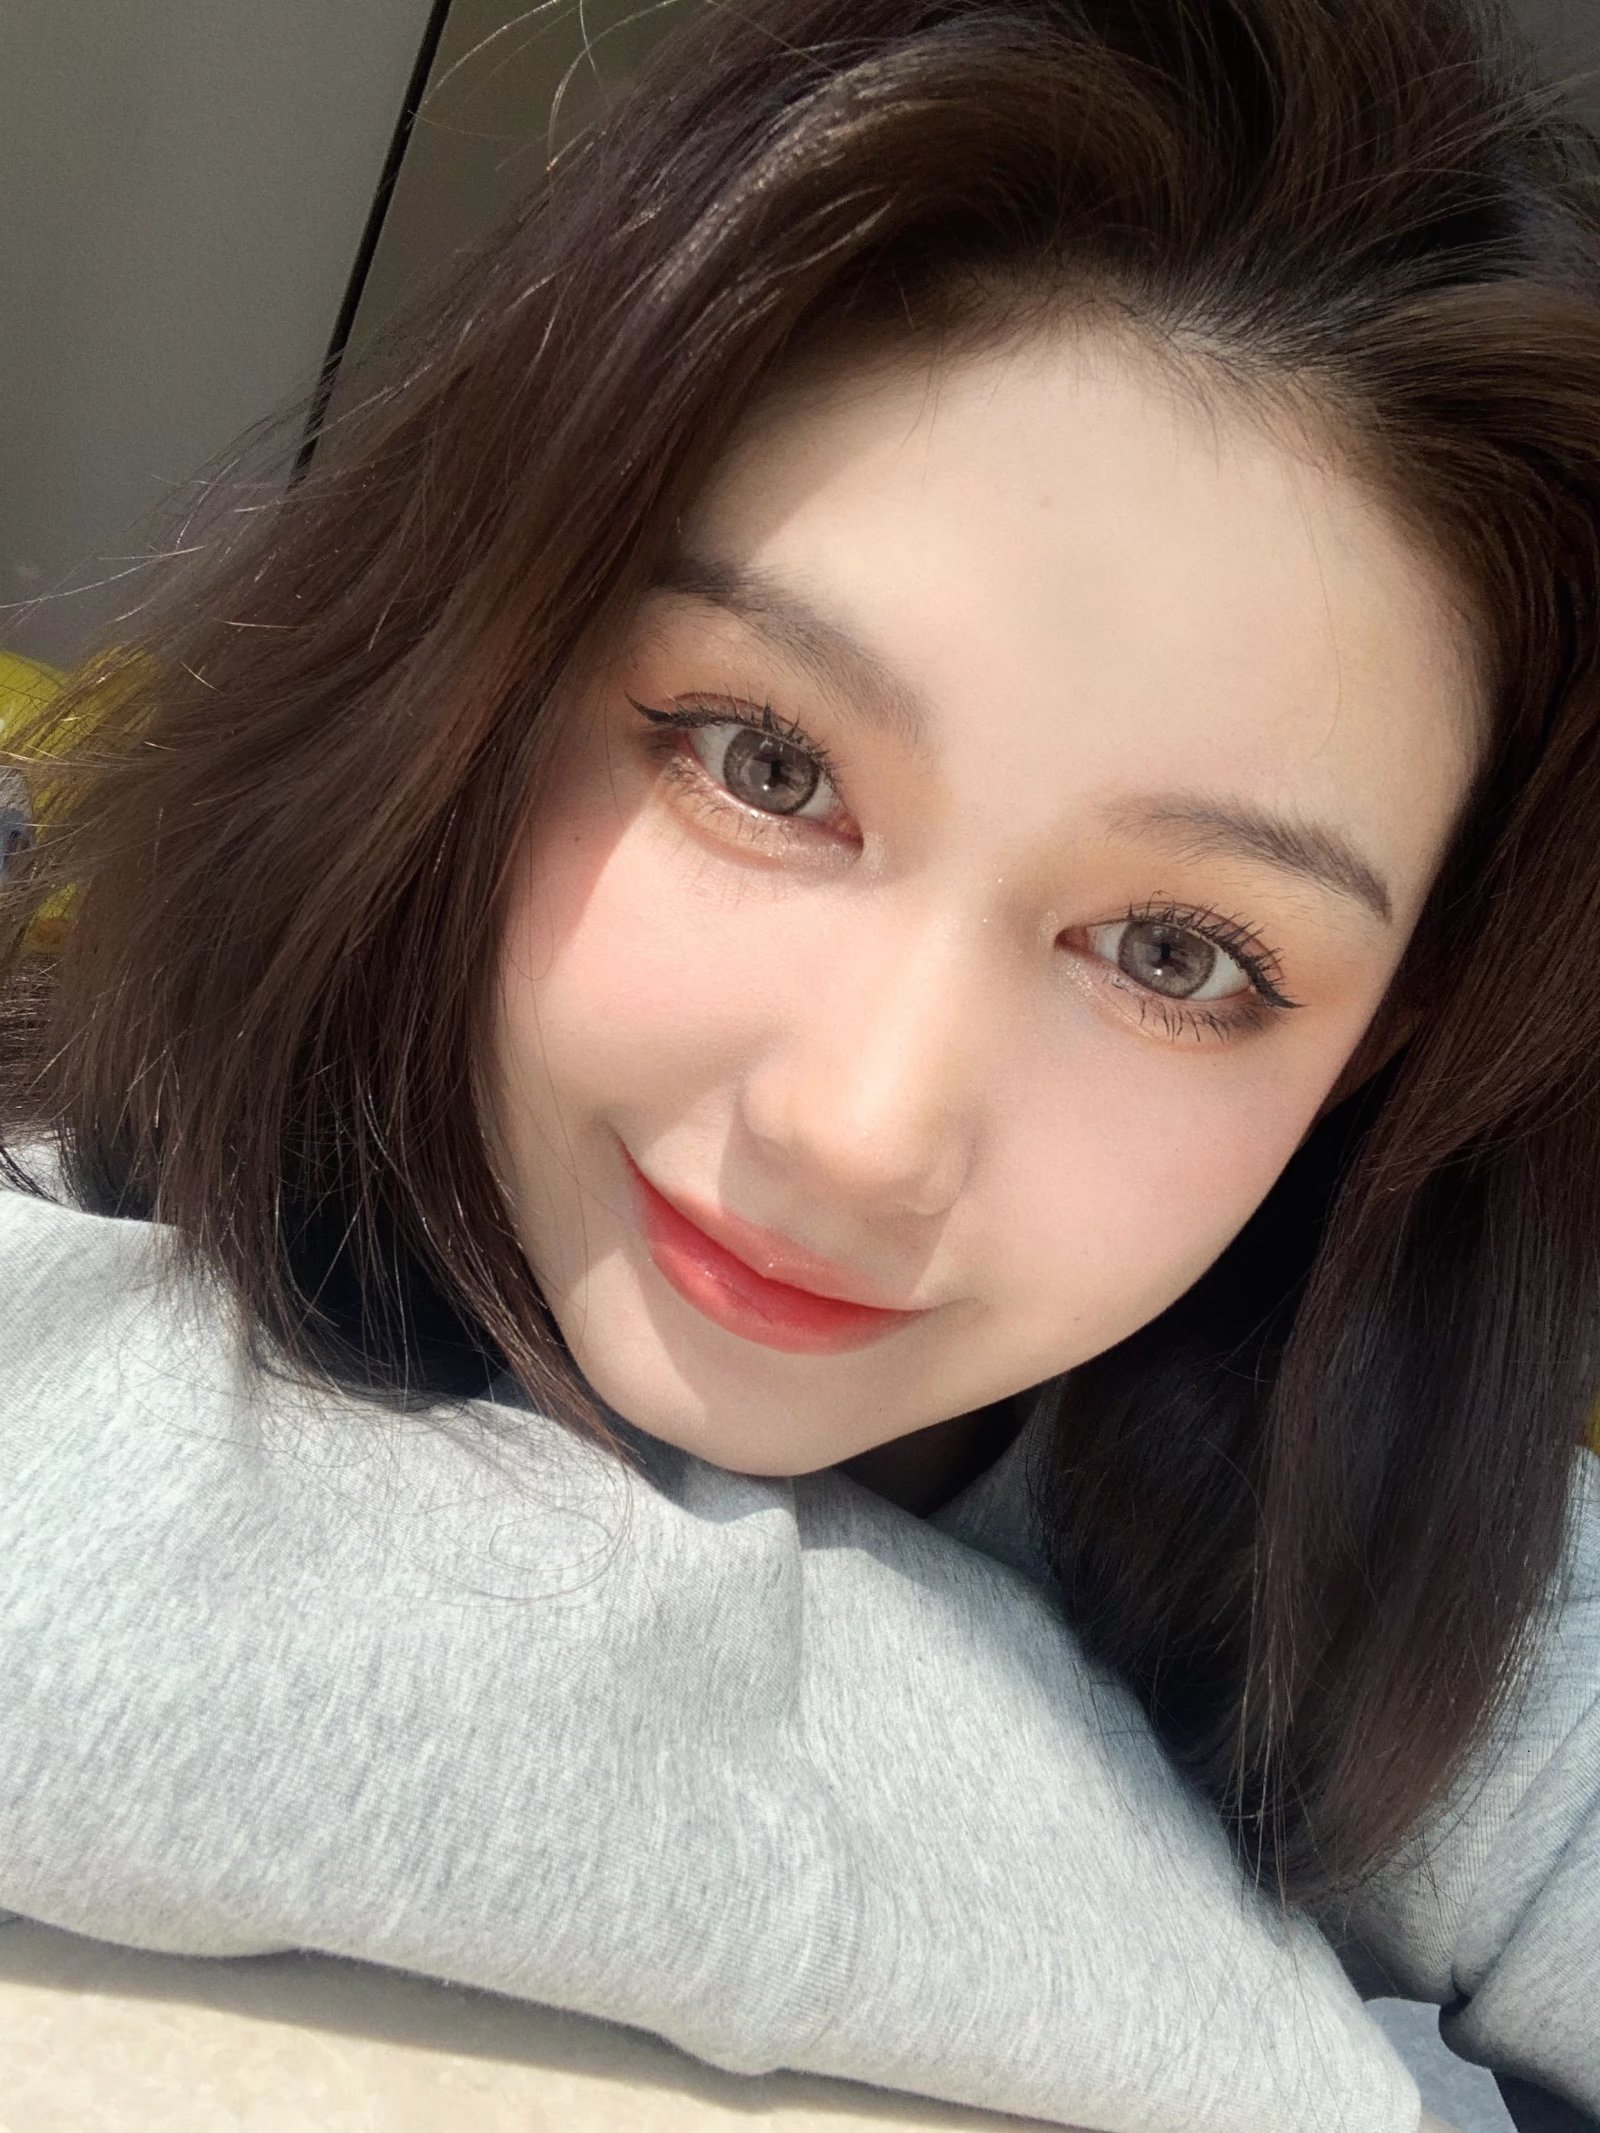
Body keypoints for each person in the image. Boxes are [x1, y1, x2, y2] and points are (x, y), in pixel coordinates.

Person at [1, 1, 1596, 2128]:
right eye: (765, 763)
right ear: (482, 671)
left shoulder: (1424, 1559)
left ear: (1385, 1038)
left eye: (1179, 953)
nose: (858, 1130)